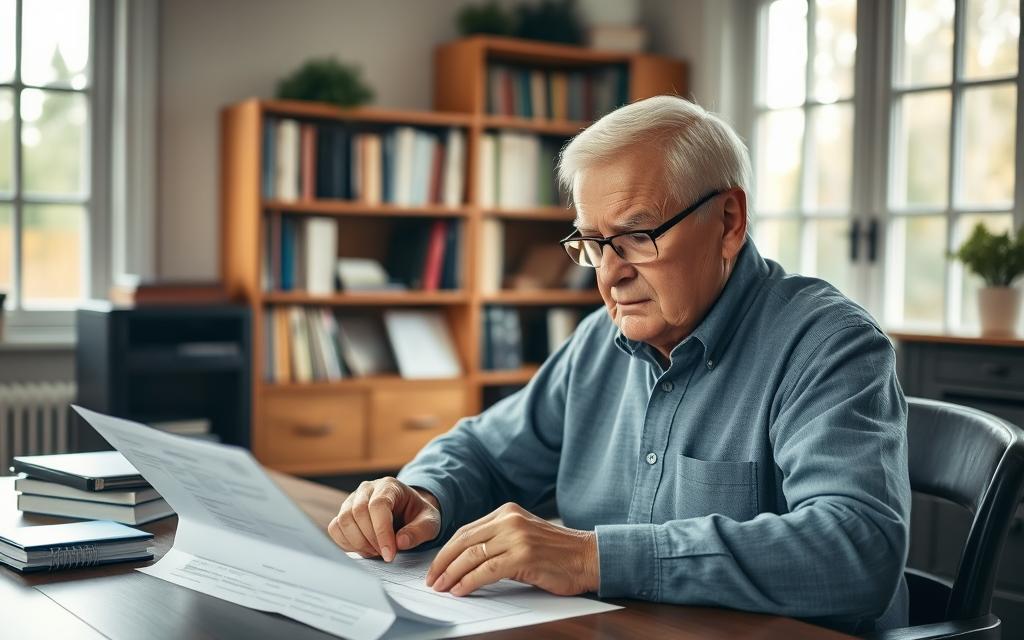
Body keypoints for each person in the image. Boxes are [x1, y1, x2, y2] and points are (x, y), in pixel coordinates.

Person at [327, 95, 910, 634]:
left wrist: (589, 557)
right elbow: (484, 449)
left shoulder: (830, 344)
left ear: (729, 221)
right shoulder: (598, 341)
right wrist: (422, 495)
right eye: (591, 243)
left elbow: (857, 547)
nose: (609, 273)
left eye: (635, 236)